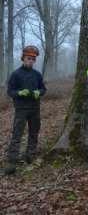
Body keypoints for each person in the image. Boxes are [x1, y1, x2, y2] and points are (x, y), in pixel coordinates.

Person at [5, 45, 47, 175]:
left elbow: (43, 89)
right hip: (21, 109)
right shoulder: (16, 74)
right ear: (23, 58)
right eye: (28, 58)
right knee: (17, 134)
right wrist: (19, 93)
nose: (31, 61)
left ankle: (30, 155)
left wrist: (38, 92)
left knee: (34, 132)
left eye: (33, 59)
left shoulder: (37, 74)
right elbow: (10, 91)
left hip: (35, 108)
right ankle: (12, 161)